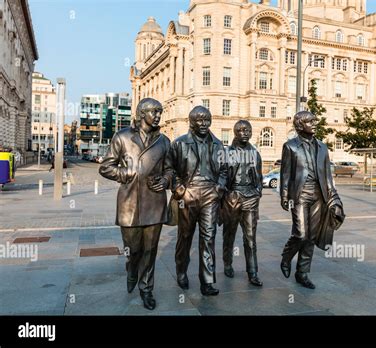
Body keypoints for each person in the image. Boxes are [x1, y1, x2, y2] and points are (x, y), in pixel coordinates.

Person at [99, 98, 170, 310]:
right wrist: (125, 173)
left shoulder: (164, 141)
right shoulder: (122, 137)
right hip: (129, 203)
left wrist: (166, 180)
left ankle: (146, 289)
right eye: (154, 112)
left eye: (160, 112)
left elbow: (170, 169)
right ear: (141, 114)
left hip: (155, 203)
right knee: (133, 250)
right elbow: (105, 167)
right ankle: (131, 270)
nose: (158, 115)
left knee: (150, 250)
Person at [165, 106, 227, 296]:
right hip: (188, 194)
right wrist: (178, 188)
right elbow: (169, 169)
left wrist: (219, 187)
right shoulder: (179, 144)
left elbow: (224, 170)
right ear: (190, 121)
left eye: (207, 120)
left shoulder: (218, 145)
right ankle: (181, 270)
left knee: (208, 238)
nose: (204, 124)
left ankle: (207, 281)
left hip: (210, 195)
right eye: (199, 120)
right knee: (185, 237)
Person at [279, 111, 344, 289]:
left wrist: (334, 198)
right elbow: (285, 174)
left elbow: (328, 177)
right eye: (310, 121)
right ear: (300, 125)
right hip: (299, 195)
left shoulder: (323, 147)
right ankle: (286, 257)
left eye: (315, 121)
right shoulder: (290, 146)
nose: (314, 124)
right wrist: (284, 195)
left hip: (318, 195)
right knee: (300, 233)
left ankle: (302, 272)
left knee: (311, 237)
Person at [221, 120, 263, 287]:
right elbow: (222, 174)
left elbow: (259, 176)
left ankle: (252, 272)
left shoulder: (255, 153)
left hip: (251, 197)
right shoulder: (226, 153)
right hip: (233, 196)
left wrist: (258, 191)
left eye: (248, 130)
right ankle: (227, 263)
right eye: (241, 130)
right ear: (235, 132)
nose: (245, 133)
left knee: (250, 238)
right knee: (229, 234)